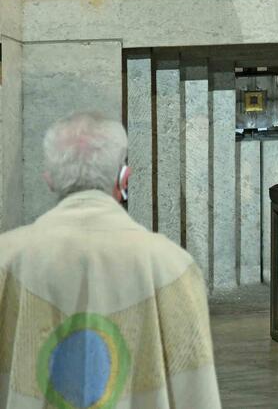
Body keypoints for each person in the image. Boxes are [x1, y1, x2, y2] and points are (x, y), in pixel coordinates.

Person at [0, 113, 221, 407]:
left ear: (49, 179)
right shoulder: (172, 266)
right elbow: (195, 385)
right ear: (124, 178)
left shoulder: (7, 258)